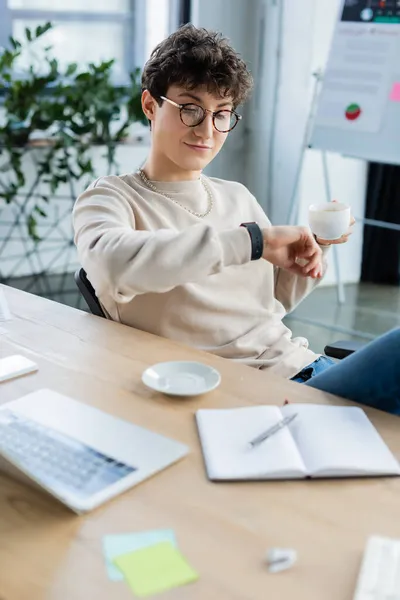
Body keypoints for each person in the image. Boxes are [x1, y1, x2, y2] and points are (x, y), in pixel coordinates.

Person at [73, 24, 400, 413]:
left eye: (222, 114)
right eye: (190, 109)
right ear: (150, 105)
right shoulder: (110, 199)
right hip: (247, 395)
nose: (207, 131)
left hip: (305, 369)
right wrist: (253, 241)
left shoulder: (235, 195)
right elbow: (113, 264)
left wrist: (310, 252)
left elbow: (271, 303)